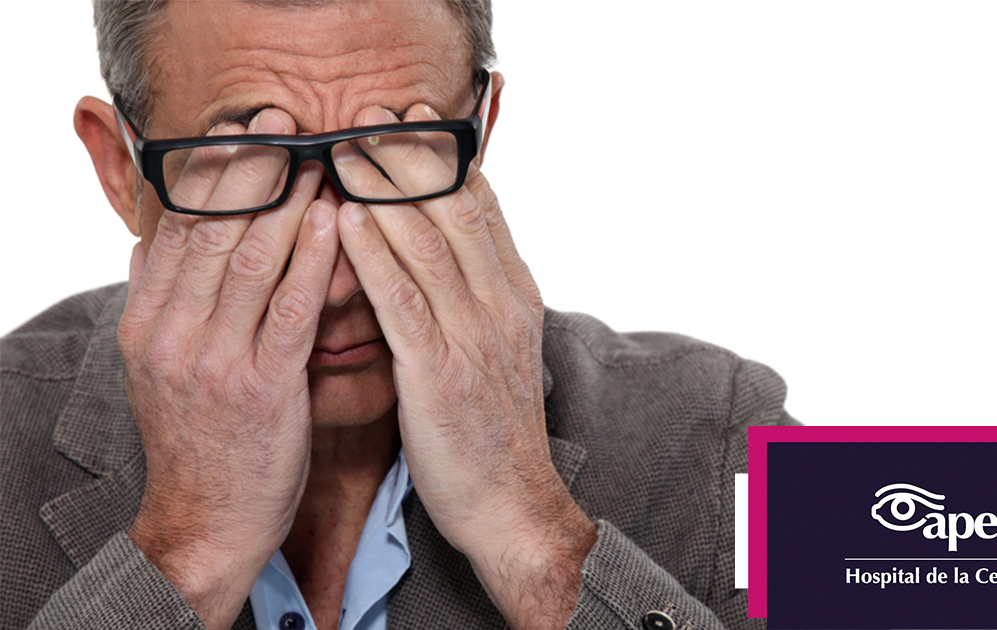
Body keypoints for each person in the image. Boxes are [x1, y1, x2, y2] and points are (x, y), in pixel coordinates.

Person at [0, 1, 793, 629]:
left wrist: (538, 541)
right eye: (253, 171)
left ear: (480, 135)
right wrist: (186, 555)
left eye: (394, 156)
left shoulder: (741, 420)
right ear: (120, 168)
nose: (338, 284)